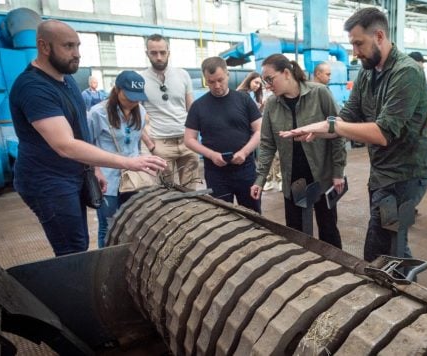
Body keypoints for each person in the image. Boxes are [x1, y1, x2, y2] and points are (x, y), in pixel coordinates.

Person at [280, 7, 427, 261]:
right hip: (382, 173)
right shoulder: (366, 72)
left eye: (359, 43)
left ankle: (398, 293)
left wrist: (331, 127)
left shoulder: (406, 73)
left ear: (380, 36)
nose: (355, 52)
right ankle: (409, 292)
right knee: (394, 242)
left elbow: (383, 133)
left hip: (407, 175)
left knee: (379, 249)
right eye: (352, 44)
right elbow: (348, 116)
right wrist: (317, 129)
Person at [9, 20, 166, 256]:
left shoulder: (67, 81)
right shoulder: (33, 87)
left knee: (79, 240)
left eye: (78, 46)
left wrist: (92, 169)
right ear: (44, 46)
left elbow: (79, 131)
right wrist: (129, 162)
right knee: (73, 248)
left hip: (72, 175)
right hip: (48, 181)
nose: (77, 54)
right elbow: (65, 144)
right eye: (68, 46)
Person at [250, 54, 346, 249]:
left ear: (286, 73)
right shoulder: (272, 105)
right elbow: (267, 144)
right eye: (264, 81)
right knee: (295, 234)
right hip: (293, 180)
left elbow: (338, 133)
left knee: (328, 230)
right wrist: (260, 179)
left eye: (270, 79)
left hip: (322, 176)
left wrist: (338, 172)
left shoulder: (319, 93)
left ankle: (337, 272)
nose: (267, 85)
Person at [185, 57, 262, 213]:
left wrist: (245, 152)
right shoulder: (198, 106)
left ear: (227, 74)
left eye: (220, 80)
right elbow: (189, 139)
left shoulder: (244, 100)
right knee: (221, 216)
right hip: (216, 173)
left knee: (252, 215)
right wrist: (212, 155)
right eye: (211, 82)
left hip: (245, 169)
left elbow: (260, 130)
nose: (217, 86)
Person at [89, 71, 150, 248]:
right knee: (108, 227)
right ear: (117, 90)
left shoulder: (141, 111)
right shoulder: (97, 113)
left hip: (133, 179)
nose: (134, 101)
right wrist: (96, 170)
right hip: (107, 181)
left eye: (137, 97)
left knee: (133, 224)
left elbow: (137, 144)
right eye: (129, 96)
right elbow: (86, 144)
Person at [140, 34, 199, 189]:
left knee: (192, 193)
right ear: (147, 53)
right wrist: (150, 144)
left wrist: (194, 136)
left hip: (187, 142)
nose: (159, 57)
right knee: (166, 193)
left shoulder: (183, 75)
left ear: (168, 52)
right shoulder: (140, 79)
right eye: (154, 53)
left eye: (162, 52)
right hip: (160, 144)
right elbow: (133, 116)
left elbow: (191, 107)